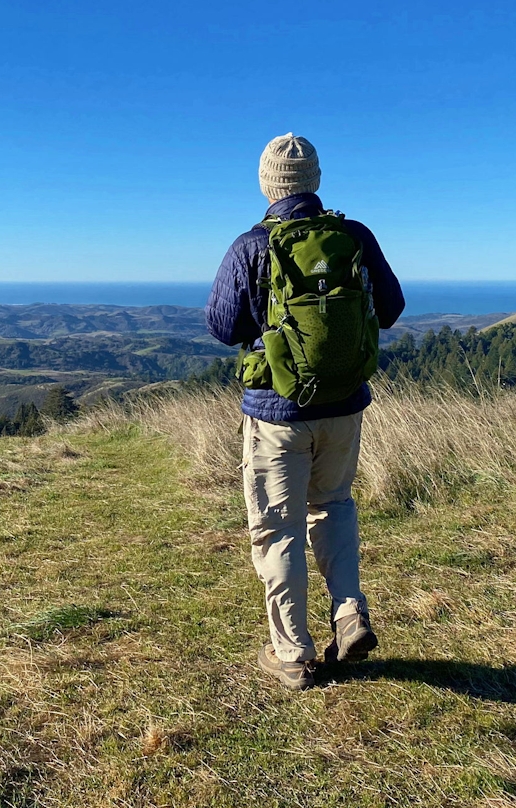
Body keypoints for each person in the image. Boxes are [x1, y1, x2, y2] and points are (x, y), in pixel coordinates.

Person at [205, 133, 405, 690]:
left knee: (278, 528)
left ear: (268, 183)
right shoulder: (354, 237)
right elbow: (391, 309)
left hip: (277, 411)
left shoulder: (252, 245)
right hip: (344, 406)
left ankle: (292, 652)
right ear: (314, 180)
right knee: (334, 504)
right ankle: (348, 613)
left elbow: (223, 328)